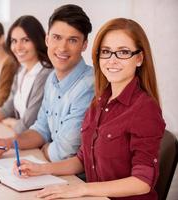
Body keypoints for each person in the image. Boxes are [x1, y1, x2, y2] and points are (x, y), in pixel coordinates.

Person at [13, 18, 166, 200]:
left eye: (123, 52)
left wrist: (82, 189)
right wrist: (41, 169)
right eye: (106, 52)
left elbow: (142, 182)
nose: (112, 60)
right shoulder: (100, 100)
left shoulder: (145, 109)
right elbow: (83, 159)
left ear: (139, 58)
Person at [0, 4, 94, 162]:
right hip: (50, 168)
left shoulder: (89, 86)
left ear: (84, 45)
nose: (62, 48)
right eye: (57, 37)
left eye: (72, 40)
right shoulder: (52, 79)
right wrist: (9, 143)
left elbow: (64, 152)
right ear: (47, 39)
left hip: (75, 179)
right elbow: (41, 129)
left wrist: (44, 148)